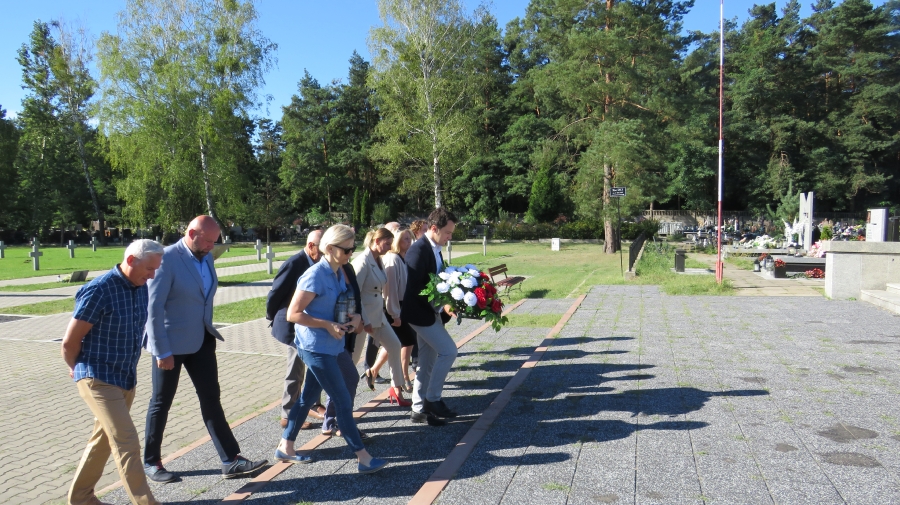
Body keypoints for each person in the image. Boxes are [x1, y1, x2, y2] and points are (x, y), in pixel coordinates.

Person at [143, 216, 267, 482]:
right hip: (171, 345)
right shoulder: (166, 259)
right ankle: (151, 461)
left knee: (211, 398)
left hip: (201, 339)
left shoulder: (206, 257)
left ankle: (230, 460)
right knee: (161, 402)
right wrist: (161, 350)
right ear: (191, 234)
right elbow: (153, 309)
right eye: (208, 241)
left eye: (215, 241)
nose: (212, 246)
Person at [276, 224, 387, 474]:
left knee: (307, 398)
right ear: (329, 248)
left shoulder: (338, 272)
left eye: (352, 248)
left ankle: (285, 446)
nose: (351, 253)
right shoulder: (314, 275)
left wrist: (354, 319)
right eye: (346, 249)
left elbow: (340, 305)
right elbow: (293, 314)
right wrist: (327, 324)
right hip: (315, 347)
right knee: (342, 399)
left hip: (332, 345)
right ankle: (363, 457)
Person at [62, 239, 164, 505]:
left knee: (104, 440)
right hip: (97, 377)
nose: (152, 275)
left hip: (125, 377)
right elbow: (70, 342)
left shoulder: (140, 288)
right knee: (127, 442)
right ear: (130, 260)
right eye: (149, 269)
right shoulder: (99, 290)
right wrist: (76, 369)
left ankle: (81, 498)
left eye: (156, 270)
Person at [402, 208, 459, 426]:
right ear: (434, 228)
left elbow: (438, 281)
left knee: (427, 360)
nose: (449, 237)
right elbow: (417, 289)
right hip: (419, 314)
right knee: (449, 351)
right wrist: (443, 305)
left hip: (429, 313)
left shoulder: (435, 248)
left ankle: (418, 409)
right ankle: (432, 399)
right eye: (447, 233)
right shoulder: (418, 250)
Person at [266, 230, 327, 429]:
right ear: (311, 246)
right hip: (292, 325)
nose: (325, 255)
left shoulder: (318, 263)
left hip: (309, 324)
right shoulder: (294, 263)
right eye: (322, 250)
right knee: (296, 370)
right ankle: (288, 415)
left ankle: (312, 404)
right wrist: (272, 316)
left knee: (314, 365)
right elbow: (276, 292)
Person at [353, 228, 410, 406]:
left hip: (378, 314)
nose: (390, 247)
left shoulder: (379, 259)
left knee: (394, 345)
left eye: (391, 243)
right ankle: (344, 401)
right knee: (352, 360)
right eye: (387, 243)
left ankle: (396, 388)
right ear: (376, 241)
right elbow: (354, 294)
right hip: (362, 318)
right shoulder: (362, 262)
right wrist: (365, 320)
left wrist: (390, 312)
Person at [376, 229, 417, 392]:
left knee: (393, 343)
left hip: (403, 305)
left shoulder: (403, 257)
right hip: (394, 307)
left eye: (410, 238)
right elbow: (390, 290)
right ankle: (404, 377)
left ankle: (373, 370)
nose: (409, 241)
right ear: (397, 241)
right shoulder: (392, 259)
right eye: (405, 239)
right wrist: (395, 313)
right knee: (407, 341)